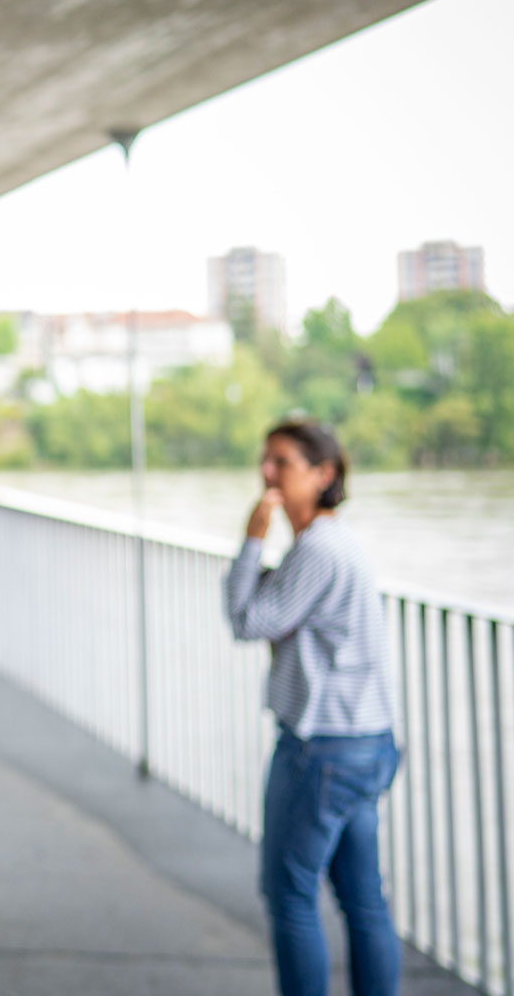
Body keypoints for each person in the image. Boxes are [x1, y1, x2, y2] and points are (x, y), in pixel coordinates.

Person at [226, 419, 399, 996]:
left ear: (324, 474)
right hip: (363, 741)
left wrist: (252, 540)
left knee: (290, 896)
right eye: (265, 460)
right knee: (362, 899)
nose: (267, 473)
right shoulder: (333, 543)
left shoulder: (318, 548)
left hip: (322, 747)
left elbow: (248, 619)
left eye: (283, 463)